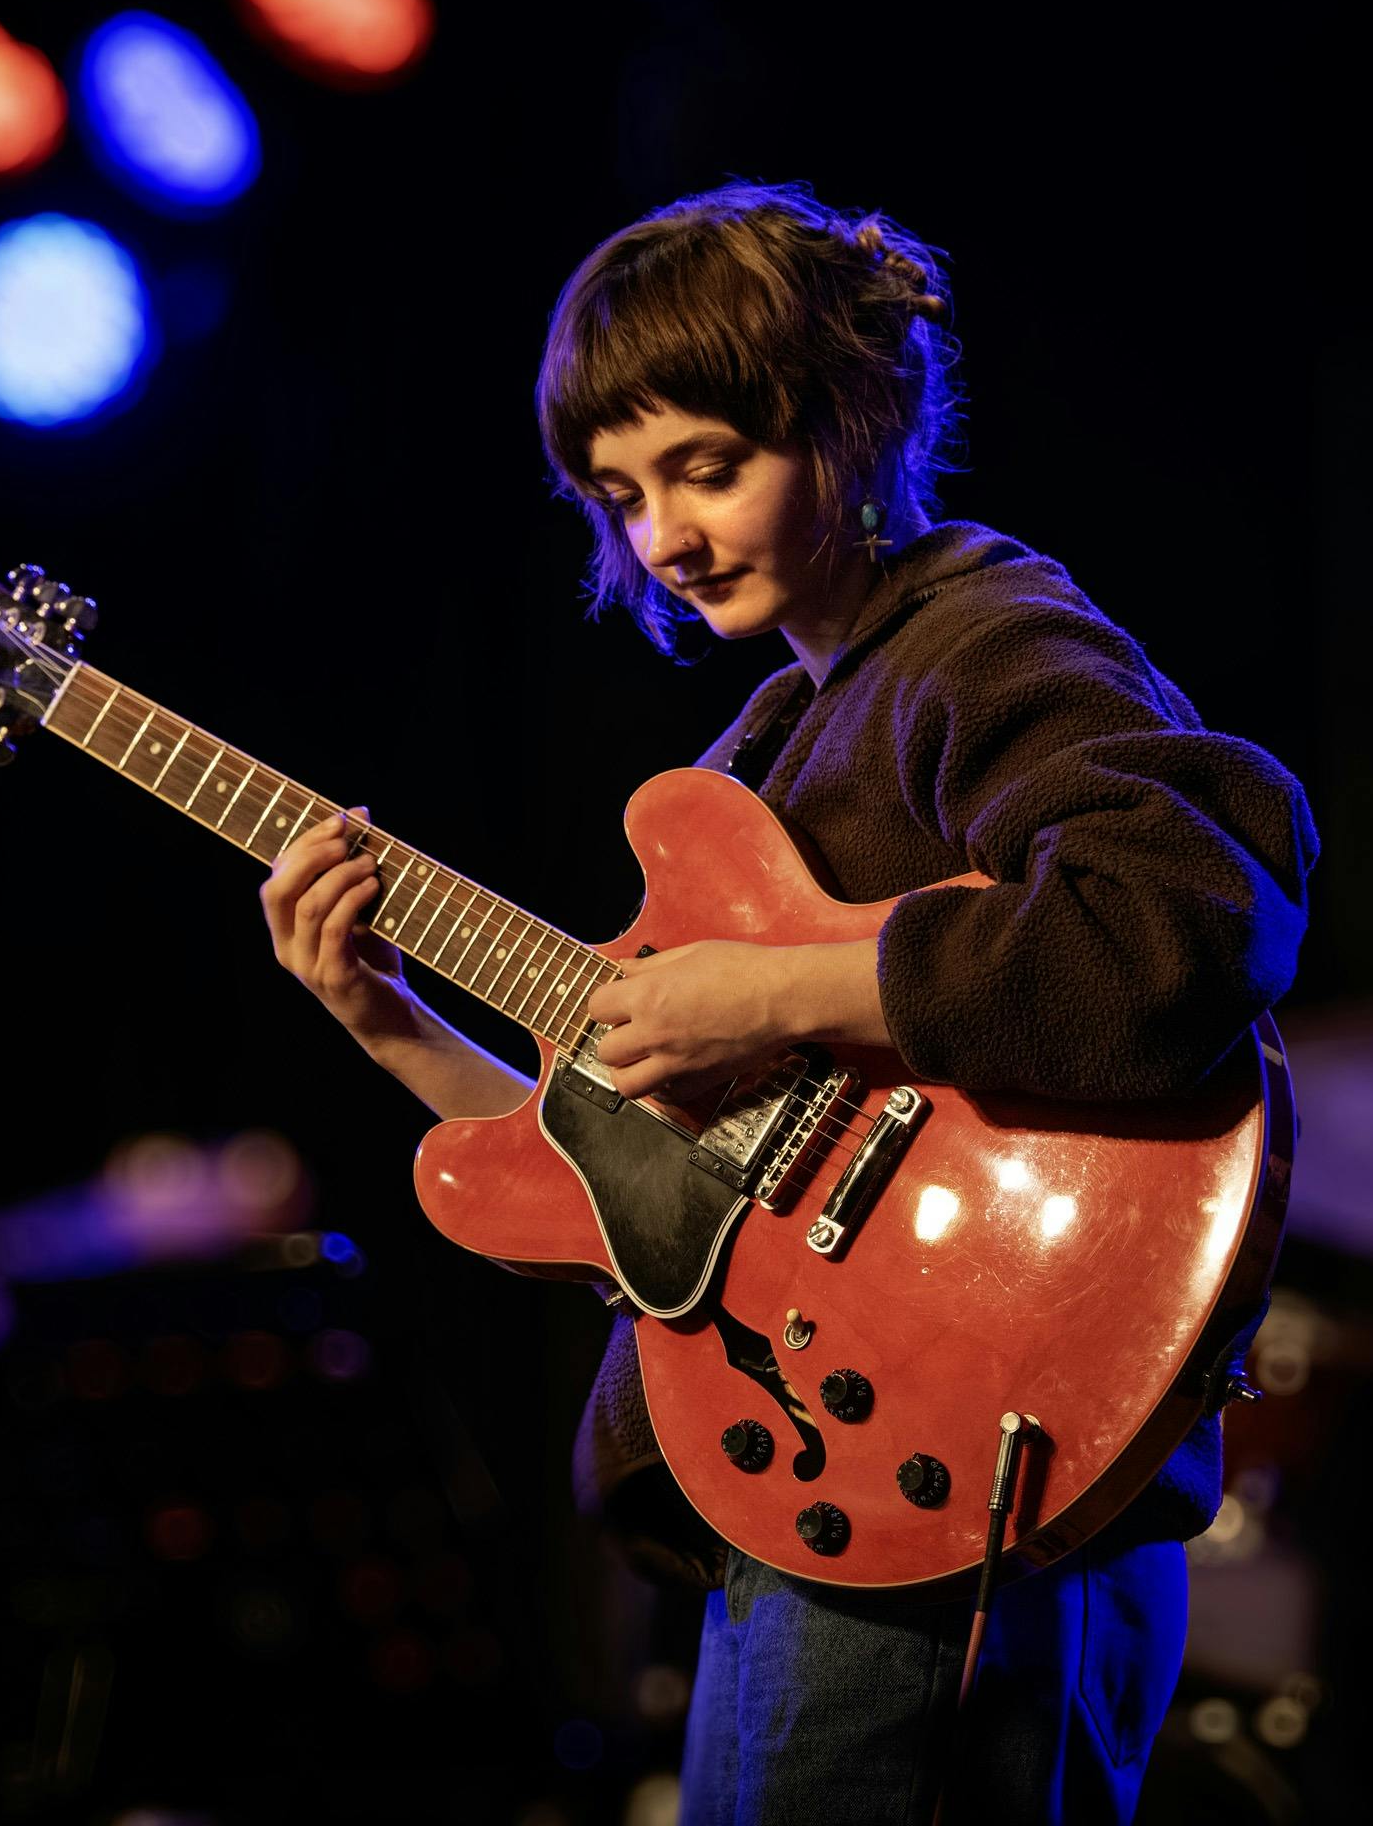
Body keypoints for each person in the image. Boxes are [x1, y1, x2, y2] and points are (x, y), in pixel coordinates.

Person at [256, 184, 1317, 1821]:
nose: (660, 539)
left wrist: (774, 990)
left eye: (704, 467)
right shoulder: (750, 759)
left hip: (973, 1466)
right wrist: (385, 1017)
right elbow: (633, 1184)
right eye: (617, 495)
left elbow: (1182, 921)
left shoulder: (982, 637)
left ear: (856, 416)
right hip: (824, 1477)